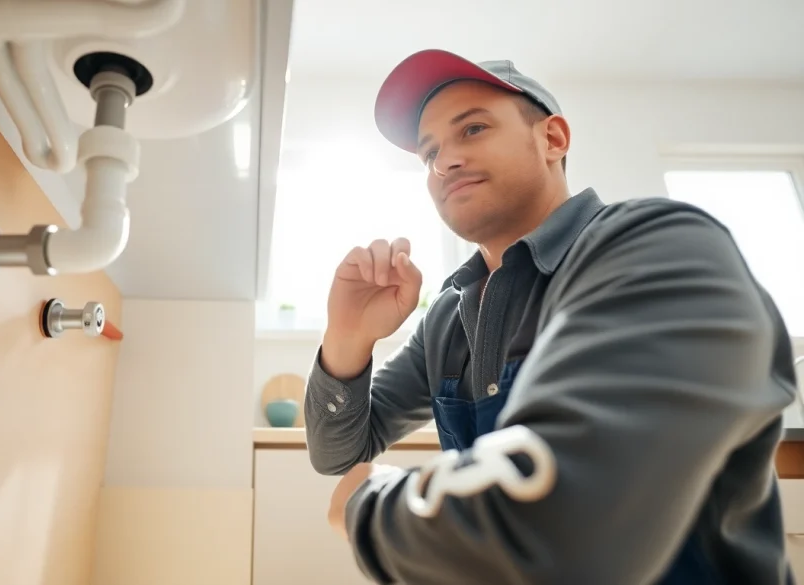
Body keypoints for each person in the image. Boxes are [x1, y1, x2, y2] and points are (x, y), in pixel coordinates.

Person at [303, 49, 800, 584]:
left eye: (472, 129)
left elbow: (557, 526)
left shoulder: (660, 247)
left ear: (553, 139)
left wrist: (369, 505)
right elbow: (339, 452)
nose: (444, 161)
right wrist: (347, 337)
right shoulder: (447, 319)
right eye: (429, 154)